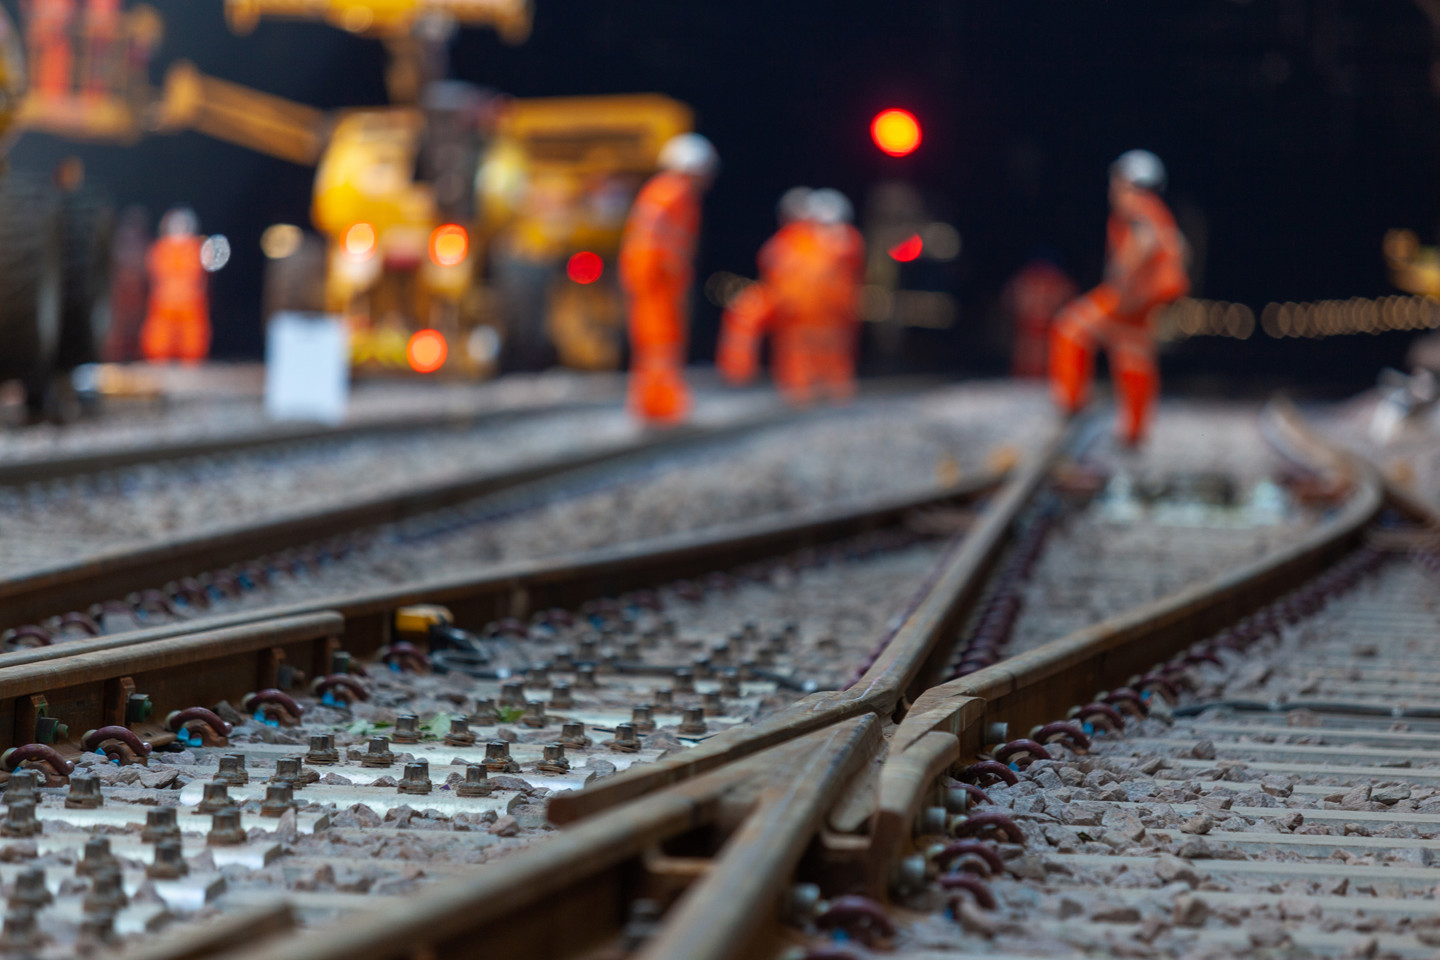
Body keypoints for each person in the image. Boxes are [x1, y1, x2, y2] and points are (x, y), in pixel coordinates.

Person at [1049, 150, 1189, 446]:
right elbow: (1179, 250)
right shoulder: (1160, 212)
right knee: (1133, 354)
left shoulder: (1137, 204)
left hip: (1127, 297)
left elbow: (1145, 241)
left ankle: (1072, 404)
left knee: (1071, 328)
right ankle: (1134, 432)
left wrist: (1122, 273)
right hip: (1144, 302)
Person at [718, 188, 865, 405]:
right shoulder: (797, 240)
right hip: (798, 308)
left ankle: (827, 391)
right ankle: (744, 376)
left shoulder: (837, 240)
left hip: (824, 310)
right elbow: (771, 263)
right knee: (798, 351)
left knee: (826, 353)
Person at [619, 132, 718, 424]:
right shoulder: (672, 193)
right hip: (657, 282)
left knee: (654, 345)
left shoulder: (663, 191)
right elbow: (659, 242)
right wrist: (667, 276)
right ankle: (661, 405)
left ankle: (653, 403)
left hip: (653, 280)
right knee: (661, 343)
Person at [141, 207, 211, 363]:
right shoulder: (160, 248)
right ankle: (158, 361)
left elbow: (203, 275)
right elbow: (153, 272)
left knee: (192, 334)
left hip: (190, 301)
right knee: (160, 333)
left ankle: (191, 361)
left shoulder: (195, 248)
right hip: (164, 301)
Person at [1004, 255, 1076, 379]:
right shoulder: (1024, 279)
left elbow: (1068, 298)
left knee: (1046, 351)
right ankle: (1025, 377)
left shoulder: (1058, 280)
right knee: (1027, 351)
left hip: (1048, 324)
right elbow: (1011, 297)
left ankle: (1042, 375)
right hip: (1028, 324)